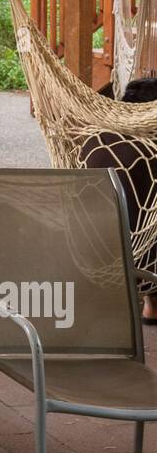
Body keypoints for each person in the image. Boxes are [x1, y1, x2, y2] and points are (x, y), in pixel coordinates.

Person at [81, 76, 157, 322]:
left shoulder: (93, 142)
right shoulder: (151, 153)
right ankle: (152, 303)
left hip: (87, 256)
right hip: (142, 262)